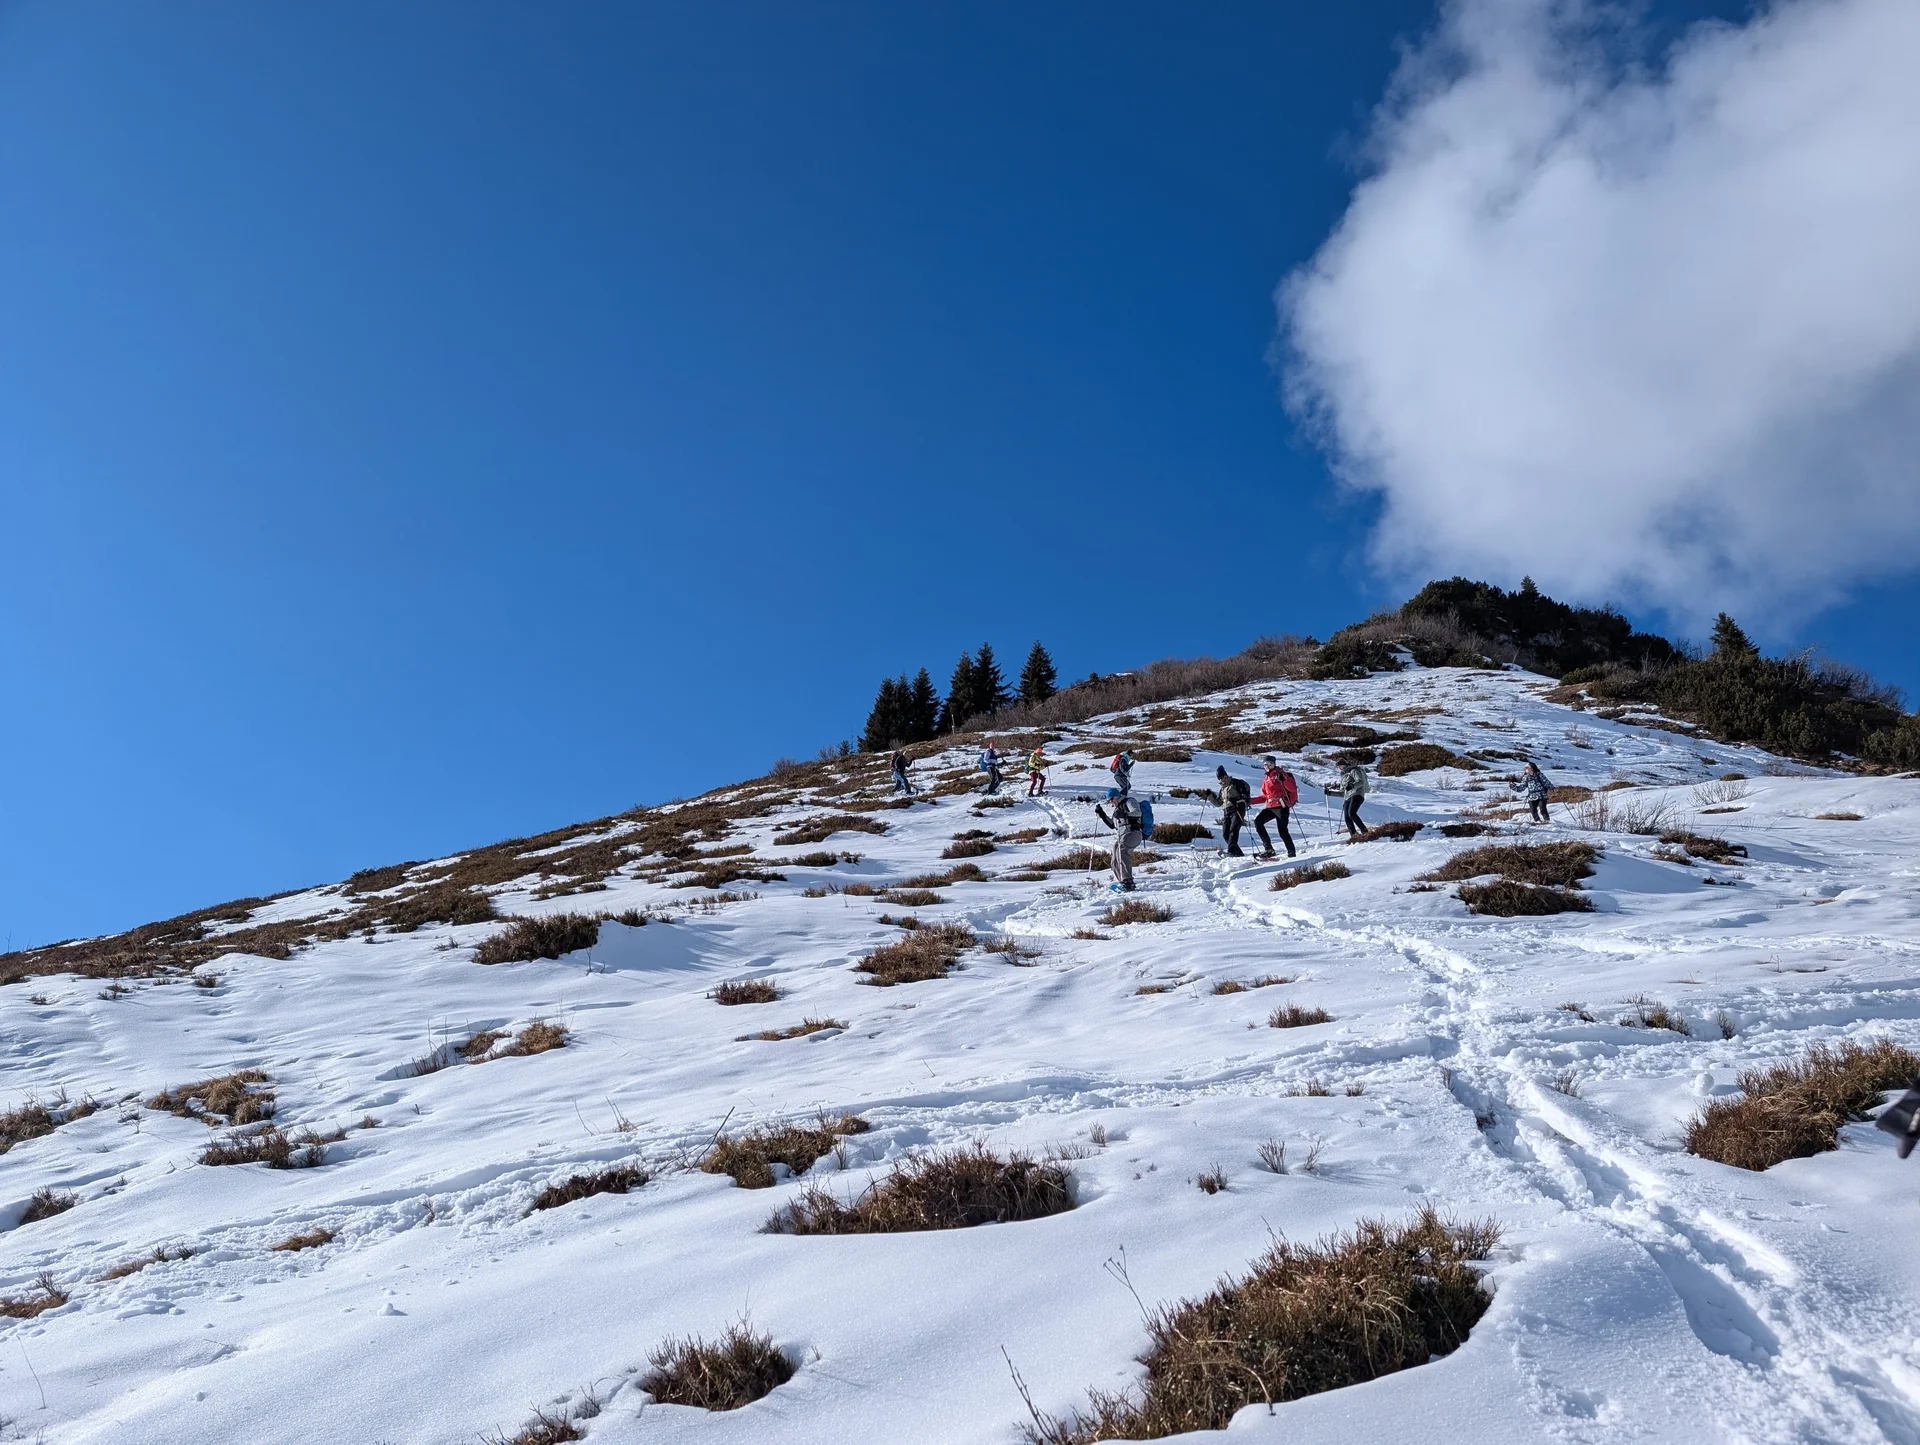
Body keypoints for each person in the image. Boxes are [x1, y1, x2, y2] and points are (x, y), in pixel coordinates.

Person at [1095, 787, 1144, 892]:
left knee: (1122, 852)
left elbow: (1137, 813)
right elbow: (1112, 825)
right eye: (1109, 800)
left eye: (1112, 799)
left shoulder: (1129, 801)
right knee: (1114, 859)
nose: (1111, 802)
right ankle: (1123, 882)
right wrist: (1102, 814)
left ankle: (1128, 883)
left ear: (1117, 796)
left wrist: (1125, 814)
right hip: (1122, 836)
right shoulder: (1117, 809)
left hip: (1133, 833)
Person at [1253, 756, 1298, 859]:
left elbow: (1292, 788)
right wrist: (1250, 801)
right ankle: (1268, 849)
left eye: (1269, 764)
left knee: (1282, 830)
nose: (1267, 766)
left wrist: (1284, 778)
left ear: (1274, 764)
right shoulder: (1266, 779)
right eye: (1265, 764)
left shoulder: (1281, 774)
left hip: (1281, 806)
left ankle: (1292, 853)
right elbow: (1264, 797)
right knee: (1258, 822)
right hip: (1270, 807)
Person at [1326, 759, 1369, 840]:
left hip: (1357, 793)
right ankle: (1354, 836)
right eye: (1338, 767)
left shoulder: (1354, 770)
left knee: (1352, 813)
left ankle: (1365, 832)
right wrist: (1330, 793)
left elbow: (1361, 782)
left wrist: (1352, 786)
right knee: (1347, 817)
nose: (1339, 768)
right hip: (1347, 797)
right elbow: (1342, 793)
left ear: (1344, 764)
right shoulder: (1343, 776)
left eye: (1340, 766)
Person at [1216, 765, 1251, 858]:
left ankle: (1231, 852)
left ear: (1226, 775)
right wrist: (1209, 796)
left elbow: (1244, 794)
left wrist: (1237, 799)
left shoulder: (1236, 783)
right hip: (1227, 811)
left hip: (1238, 808)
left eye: (1222, 777)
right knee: (1225, 833)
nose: (1222, 780)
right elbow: (1218, 803)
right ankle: (1238, 854)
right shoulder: (1222, 789)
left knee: (1233, 830)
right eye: (1219, 779)